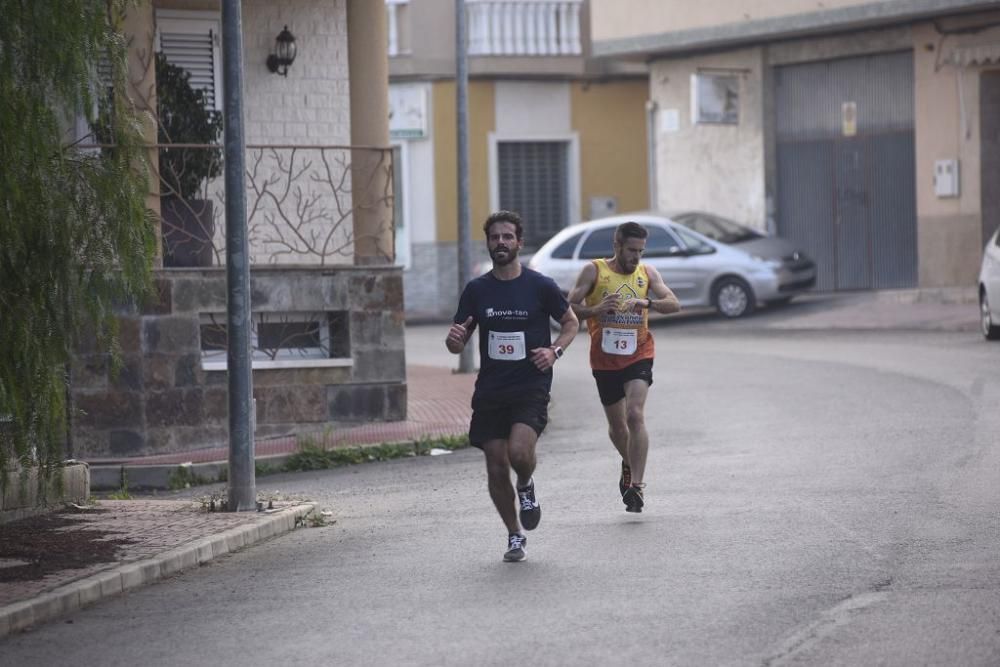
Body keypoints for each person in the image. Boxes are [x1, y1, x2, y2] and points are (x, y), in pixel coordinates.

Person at [447, 210, 579, 562]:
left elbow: (570, 322)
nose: (501, 243)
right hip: (492, 389)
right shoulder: (477, 290)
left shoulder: (539, 286)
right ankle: (514, 534)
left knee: (519, 453)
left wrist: (554, 351)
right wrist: (455, 340)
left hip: (530, 385)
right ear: (488, 244)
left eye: (507, 237)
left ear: (519, 243)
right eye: (494, 238)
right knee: (494, 464)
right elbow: (457, 342)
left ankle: (526, 485)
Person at [567, 221, 680, 513]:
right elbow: (567, 309)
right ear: (616, 246)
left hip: (639, 352)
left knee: (634, 414)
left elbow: (673, 303)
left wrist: (646, 304)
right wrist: (595, 310)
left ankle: (637, 487)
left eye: (641, 251)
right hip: (604, 358)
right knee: (617, 428)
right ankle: (629, 462)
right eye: (631, 250)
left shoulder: (647, 273)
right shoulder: (594, 271)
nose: (636, 257)